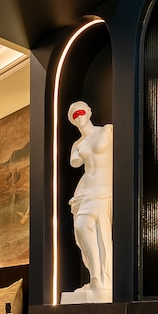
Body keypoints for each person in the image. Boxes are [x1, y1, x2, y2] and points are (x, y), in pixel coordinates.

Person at [67, 100, 113, 296]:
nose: (79, 117)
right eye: (74, 115)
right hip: (85, 192)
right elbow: (76, 163)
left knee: (95, 232)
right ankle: (96, 278)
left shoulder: (107, 131)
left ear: (89, 112)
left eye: (81, 112)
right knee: (82, 230)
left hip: (104, 188)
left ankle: (103, 279)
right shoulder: (77, 145)